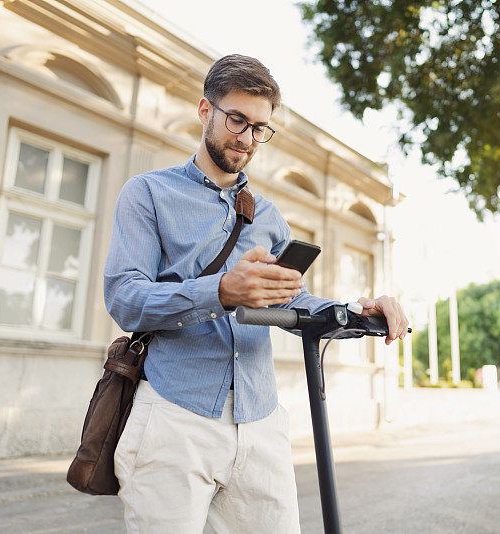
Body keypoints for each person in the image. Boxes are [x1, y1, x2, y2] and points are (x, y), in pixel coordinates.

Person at [103, 54, 409, 533]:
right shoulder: (147, 194)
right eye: (236, 119)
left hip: (261, 419)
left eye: (259, 128)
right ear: (205, 111)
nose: (246, 138)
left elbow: (288, 301)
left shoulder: (267, 217)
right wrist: (221, 291)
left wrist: (351, 310)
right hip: (173, 415)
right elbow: (125, 298)